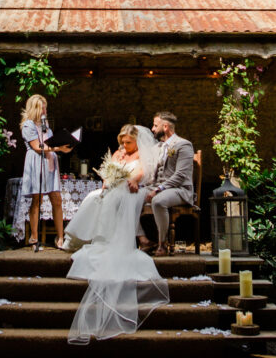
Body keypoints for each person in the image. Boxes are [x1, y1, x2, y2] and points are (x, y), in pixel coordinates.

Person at [67, 124, 168, 343]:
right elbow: (108, 171)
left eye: (128, 142)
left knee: (122, 197)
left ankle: (126, 238)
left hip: (136, 189)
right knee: (93, 197)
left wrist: (132, 179)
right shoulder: (118, 152)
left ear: (136, 141)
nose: (124, 146)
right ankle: (85, 236)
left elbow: (141, 173)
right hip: (115, 188)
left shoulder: (142, 154)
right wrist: (106, 181)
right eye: (122, 142)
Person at [141, 111, 195, 257]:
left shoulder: (184, 145)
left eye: (155, 125)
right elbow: (151, 173)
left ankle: (162, 244)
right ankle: (143, 240)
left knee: (159, 201)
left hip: (180, 190)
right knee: (126, 197)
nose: (152, 129)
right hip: (157, 186)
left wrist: (158, 189)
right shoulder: (157, 148)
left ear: (165, 127)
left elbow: (180, 175)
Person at [20, 94, 70, 249]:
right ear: (35, 108)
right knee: (37, 200)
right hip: (36, 162)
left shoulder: (45, 125)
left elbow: (49, 142)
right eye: (43, 107)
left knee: (57, 199)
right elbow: (37, 146)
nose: (45, 110)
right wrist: (58, 148)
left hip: (49, 161)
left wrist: (63, 144)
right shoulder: (28, 125)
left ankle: (60, 237)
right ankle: (34, 237)